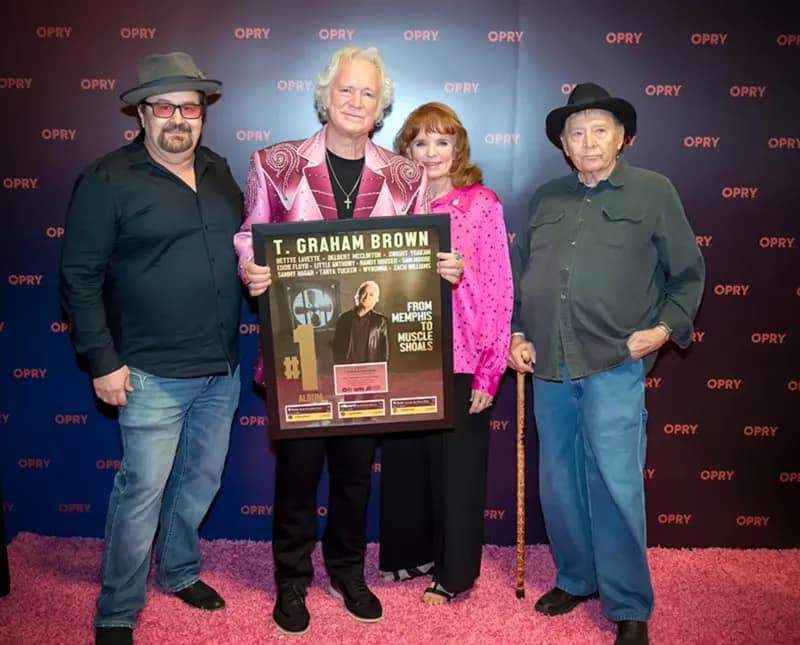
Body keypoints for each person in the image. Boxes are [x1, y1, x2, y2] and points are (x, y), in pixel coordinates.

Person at [233, 47, 463, 635]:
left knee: (357, 472)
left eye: (368, 94)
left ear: (381, 105)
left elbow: (418, 256)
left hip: (369, 357)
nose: (356, 102)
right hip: (303, 348)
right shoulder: (275, 164)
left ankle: (346, 569)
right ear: (325, 97)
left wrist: (442, 269)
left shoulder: (407, 175)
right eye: (346, 91)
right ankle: (291, 578)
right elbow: (248, 234)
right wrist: (251, 267)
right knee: (299, 472)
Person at [507, 83, 705, 645]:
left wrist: (664, 330)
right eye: (576, 132)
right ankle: (576, 577)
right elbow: (523, 278)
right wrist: (518, 332)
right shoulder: (545, 198)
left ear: (622, 138)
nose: (588, 141)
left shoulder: (653, 192)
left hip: (615, 361)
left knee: (617, 485)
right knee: (558, 483)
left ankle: (628, 603)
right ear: (563, 146)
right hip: (548, 364)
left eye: (599, 130)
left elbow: (687, 274)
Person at [61, 52, 243, 645]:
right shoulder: (107, 178)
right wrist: (102, 360)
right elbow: (79, 277)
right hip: (147, 372)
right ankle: (117, 608)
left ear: (203, 114)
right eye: (164, 107)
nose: (177, 119)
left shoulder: (219, 171)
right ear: (141, 114)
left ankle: (182, 571)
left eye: (188, 108)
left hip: (222, 368)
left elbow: (244, 253)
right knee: (141, 492)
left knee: (199, 484)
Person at [379, 102, 513, 604]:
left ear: (458, 147)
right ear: (406, 150)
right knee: (407, 461)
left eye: (441, 141)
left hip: (462, 354)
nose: (431, 152)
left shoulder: (480, 203)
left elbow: (499, 288)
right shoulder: (395, 206)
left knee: (457, 470)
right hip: (404, 354)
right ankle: (409, 554)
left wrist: (488, 372)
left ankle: (455, 573)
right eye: (420, 142)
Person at [332, 281, 389, 365]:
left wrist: (382, 371)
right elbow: (336, 347)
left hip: (371, 370)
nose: (366, 297)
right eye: (364, 293)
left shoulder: (380, 321)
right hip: (348, 370)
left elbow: (385, 350)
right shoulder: (344, 319)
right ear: (358, 295)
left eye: (371, 295)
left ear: (377, 299)